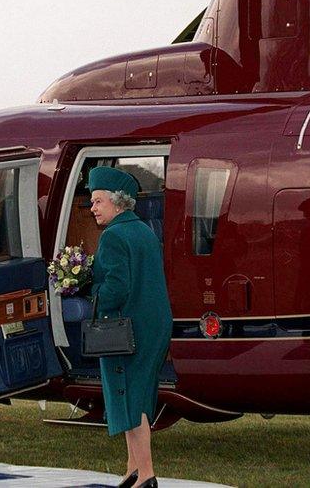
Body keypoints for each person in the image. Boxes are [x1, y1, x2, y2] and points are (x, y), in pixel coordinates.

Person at [88, 166, 171, 488]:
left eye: (97, 201)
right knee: (139, 395)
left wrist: (88, 294)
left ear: (116, 202)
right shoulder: (143, 230)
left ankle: (146, 474)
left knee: (129, 397)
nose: (92, 208)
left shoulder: (113, 236)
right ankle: (133, 469)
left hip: (127, 330)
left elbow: (116, 288)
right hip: (152, 326)